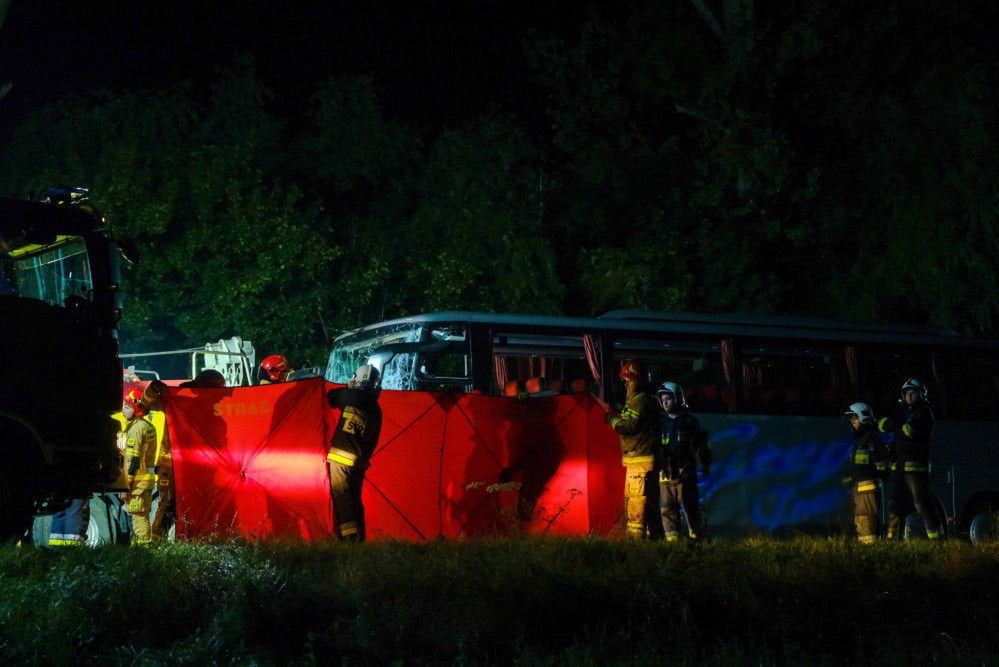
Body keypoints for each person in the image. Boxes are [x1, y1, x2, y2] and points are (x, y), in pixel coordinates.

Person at [878, 378, 943, 540]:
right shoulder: (903, 413)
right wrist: (896, 425)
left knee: (922, 504)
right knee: (894, 505)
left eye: (913, 393)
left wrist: (895, 425)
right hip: (898, 467)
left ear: (921, 394)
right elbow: (881, 425)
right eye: (907, 393)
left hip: (915, 469)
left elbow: (908, 431)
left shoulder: (924, 412)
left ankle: (937, 540)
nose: (909, 396)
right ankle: (892, 541)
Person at [605, 360, 662, 540]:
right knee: (648, 506)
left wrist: (611, 420)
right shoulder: (642, 400)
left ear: (641, 381)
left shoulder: (641, 400)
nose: (626, 384)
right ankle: (655, 542)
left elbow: (629, 426)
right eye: (625, 381)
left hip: (640, 463)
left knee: (637, 506)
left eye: (629, 380)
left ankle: (635, 547)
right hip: (640, 462)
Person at [326, 364, 383, 541]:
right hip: (359, 462)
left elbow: (331, 397)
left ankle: (349, 540)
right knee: (355, 499)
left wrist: (348, 387)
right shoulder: (375, 407)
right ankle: (359, 536)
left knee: (343, 499)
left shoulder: (351, 396)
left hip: (340, 459)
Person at [656, 381, 711, 541]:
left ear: (678, 399)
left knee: (690, 507)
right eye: (663, 399)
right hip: (665, 473)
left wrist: (705, 464)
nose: (665, 402)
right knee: (666, 509)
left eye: (669, 398)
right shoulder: (660, 423)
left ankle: (696, 541)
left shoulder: (689, 422)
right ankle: (673, 544)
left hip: (684, 473)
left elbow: (701, 445)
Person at [843, 402, 889, 543]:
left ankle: (871, 549)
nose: (853, 422)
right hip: (858, 489)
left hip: (868, 489)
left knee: (867, 518)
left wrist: (879, 476)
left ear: (863, 417)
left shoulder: (871, 439)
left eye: (854, 418)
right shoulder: (859, 441)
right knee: (861, 520)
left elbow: (882, 465)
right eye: (851, 419)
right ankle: (866, 548)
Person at [120, 387, 158, 544]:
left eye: (127, 407)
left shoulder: (136, 429)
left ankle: (143, 553)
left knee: (139, 518)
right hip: (144, 481)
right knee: (141, 516)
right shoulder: (146, 425)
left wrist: (125, 484)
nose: (123, 410)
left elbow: (133, 460)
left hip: (137, 482)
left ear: (137, 409)